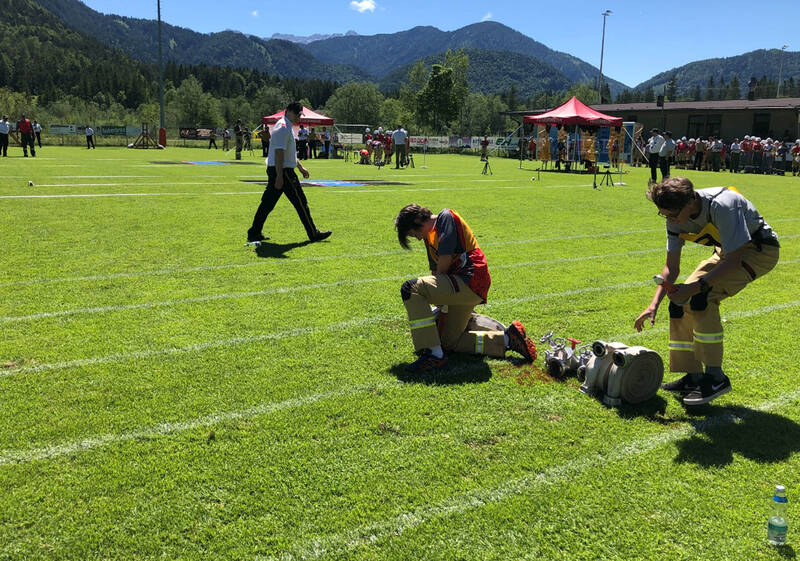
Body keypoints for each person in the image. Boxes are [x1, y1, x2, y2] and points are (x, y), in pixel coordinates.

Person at [634, 177, 780, 406]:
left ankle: (715, 377)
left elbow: (733, 261)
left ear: (691, 201)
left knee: (703, 297)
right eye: (665, 215)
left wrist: (694, 288)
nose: (671, 221)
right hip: (726, 252)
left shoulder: (723, 205)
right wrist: (654, 304)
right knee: (679, 302)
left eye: (673, 215)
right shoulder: (675, 213)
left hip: (759, 251)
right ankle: (693, 375)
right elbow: (671, 268)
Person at [394, 204, 538, 373]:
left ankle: (434, 355)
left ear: (418, 220)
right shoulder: (429, 236)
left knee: (410, 288)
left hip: (470, 280)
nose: (416, 238)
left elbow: (445, 260)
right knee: (448, 343)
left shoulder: (445, 217)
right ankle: (508, 339)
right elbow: (435, 271)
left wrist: (440, 298)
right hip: (460, 285)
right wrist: (441, 300)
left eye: (412, 233)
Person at [247, 102, 331, 244]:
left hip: (280, 169)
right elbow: (279, 153)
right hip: (283, 171)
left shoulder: (285, 126)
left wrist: (300, 167)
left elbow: (288, 153)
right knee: (300, 202)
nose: (299, 117)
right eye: (298, 114)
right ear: (289, 112)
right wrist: (280, 176)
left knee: (267, 203)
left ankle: (254, 232)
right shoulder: (283, 127)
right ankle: (313, 234)